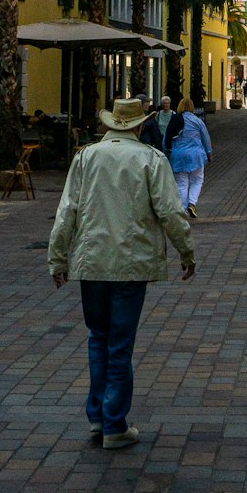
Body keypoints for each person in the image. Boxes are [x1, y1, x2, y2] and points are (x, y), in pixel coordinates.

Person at [48, 97, 195, 450]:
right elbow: (170, 212)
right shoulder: (150, 159)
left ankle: (98, 416)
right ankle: (114, 422)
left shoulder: (86, 157)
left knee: (98, 337)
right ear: (140, 126)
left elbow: (67, 210)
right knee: (120, 344)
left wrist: (58, 258)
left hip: (92, 262)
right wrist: (186, 252)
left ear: (110, 124)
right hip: (131, 263)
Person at [167, 97, 212, 217]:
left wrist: (167, 152)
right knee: (197, 180)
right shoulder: (197, 121)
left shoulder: (174, 119)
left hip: (178, 155)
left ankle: (183, 209)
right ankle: (192, 203)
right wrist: (209, 152)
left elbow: (166, 138)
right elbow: (205, 138)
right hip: (196, 156)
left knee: (181, 183)